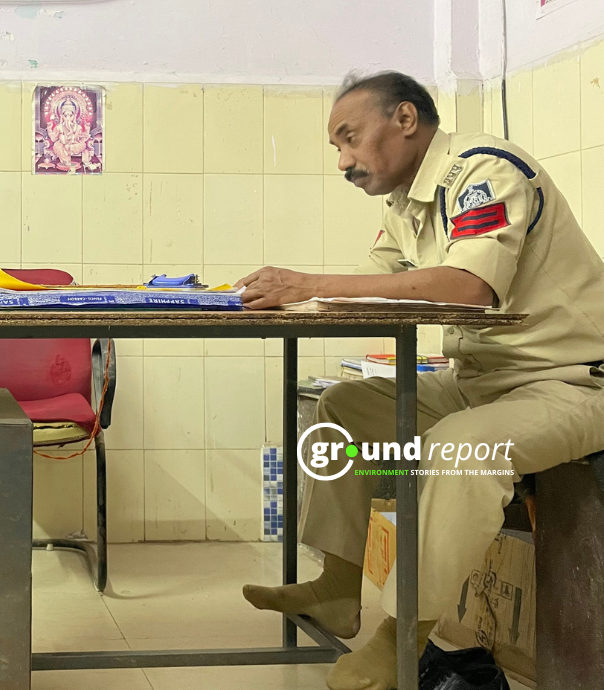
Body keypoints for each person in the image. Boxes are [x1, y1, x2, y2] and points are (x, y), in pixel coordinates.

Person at [239, 72, 604, 690]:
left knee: (458, 450)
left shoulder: (486, 172)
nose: (343, 161)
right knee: (344, 405)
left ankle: (400, 634)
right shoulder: (405, 202)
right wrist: (274, 299)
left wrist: (313, 284)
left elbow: (469, 287)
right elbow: (371, 284)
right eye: (337, 147)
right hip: (484, 381)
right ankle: (337, 584)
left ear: (405, 119)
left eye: (349, 138)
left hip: (568, 384)